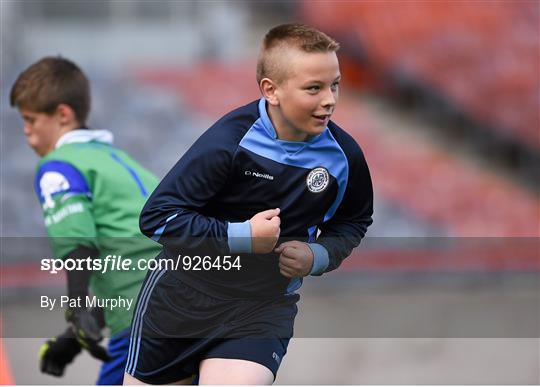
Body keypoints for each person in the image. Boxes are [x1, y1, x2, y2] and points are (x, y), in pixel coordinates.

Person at [124, 23, 373, 385]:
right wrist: (242, 237)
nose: (330, 99)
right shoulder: (228, 141)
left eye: (334, 84)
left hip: (261, 308)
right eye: (314, 88)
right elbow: (158, 219)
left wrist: (317, 256)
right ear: (271, 91)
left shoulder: (344, 156)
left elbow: (353, 221)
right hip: (181, 301)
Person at [10, 57, 161, 385]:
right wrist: (73, 338)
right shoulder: (121, 162)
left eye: (31, 119)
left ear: (62, 114)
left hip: (144, 322)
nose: (26, 130)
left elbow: (79, 244)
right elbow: (136, 265)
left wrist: (76, 308)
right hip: (190, 310)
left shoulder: (58, 165)